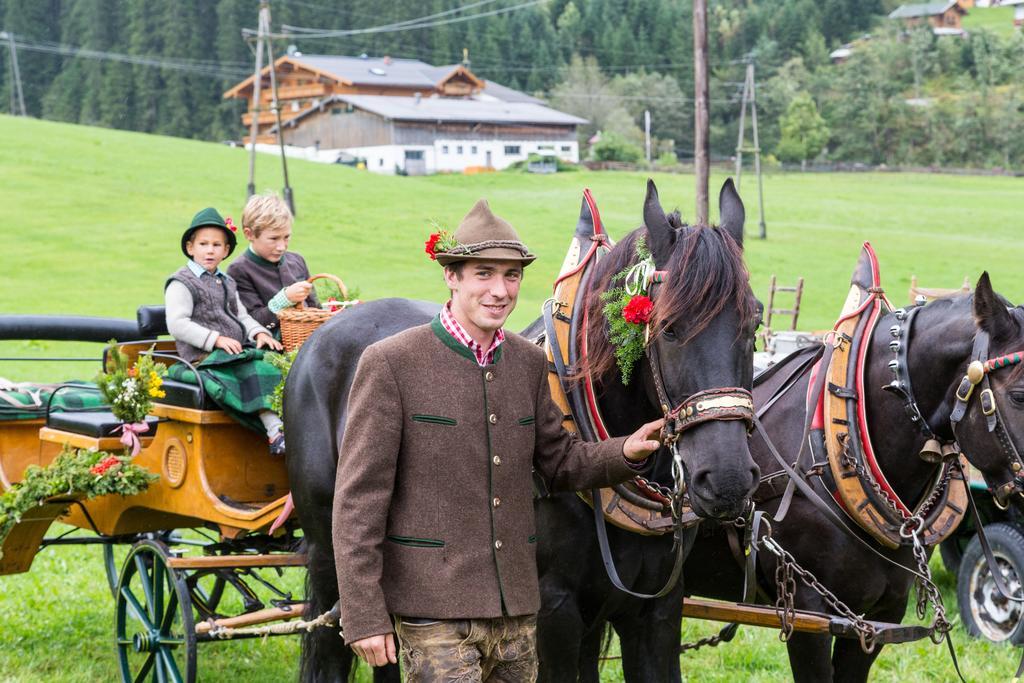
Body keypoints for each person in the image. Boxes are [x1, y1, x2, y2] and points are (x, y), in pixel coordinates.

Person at [332, 199, 664, 681]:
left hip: (516, 612)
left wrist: (625, 450)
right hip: (434, 612)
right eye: (483, 274)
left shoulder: (529, 363)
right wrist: (364, 616)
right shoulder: (391, 364)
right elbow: (358, 501)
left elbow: (560, 462)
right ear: (452, 275)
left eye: (511, 276)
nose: (499, 290)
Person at [164, 207, 288, 455]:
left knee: (278, 362)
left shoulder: (227, 282)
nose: (210, 250)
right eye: (203, 244)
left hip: (233, 351)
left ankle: (292, 424)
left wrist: (260, 334)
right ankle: (275, 431)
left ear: (226, 250)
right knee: (255, 369)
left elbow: (241, 315)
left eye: (217, 245)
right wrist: (216, 339)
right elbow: (177, 324)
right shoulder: (181, 282)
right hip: (203, 358)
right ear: (191, 248)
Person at [226, 192, 319, 339]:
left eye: (286, 237)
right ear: (249, 234)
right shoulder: (239, 270)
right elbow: (252, 321)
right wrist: (285, 299)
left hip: (309, 340)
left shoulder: (297, 261)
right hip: (270, 348)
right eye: (273, 238)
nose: (281, 246)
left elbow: (315, 307)